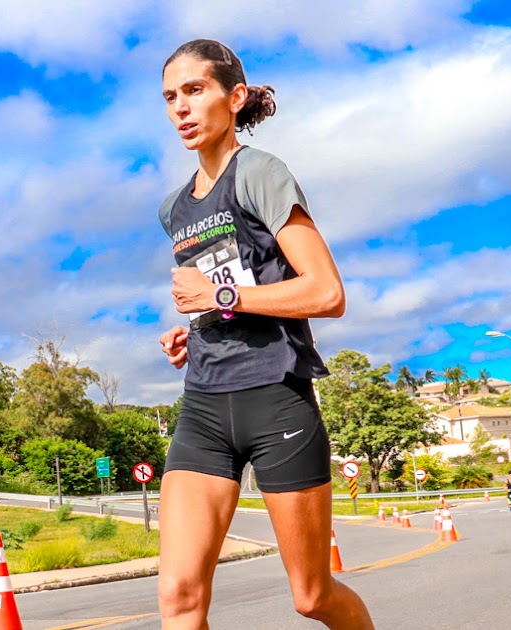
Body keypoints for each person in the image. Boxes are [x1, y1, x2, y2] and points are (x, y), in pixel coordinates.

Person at [155, 39, 373, 629]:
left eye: (195, 90)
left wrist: (218, 298)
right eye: (171, 97)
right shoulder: (174, 209)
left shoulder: (259, 172)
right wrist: (195, 328)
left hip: (276, 400)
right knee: (178, 595)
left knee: (312, 597)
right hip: (204, 405)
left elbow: (326, 292)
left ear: (235, 97)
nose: (181, 107)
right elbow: (229, 289)